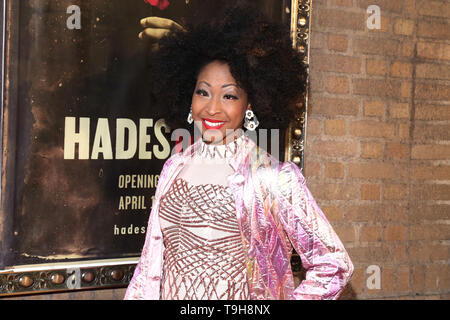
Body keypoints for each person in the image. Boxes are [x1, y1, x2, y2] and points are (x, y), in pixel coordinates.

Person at [125, 4, 353, 300]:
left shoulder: (272, 177)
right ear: (187, 94)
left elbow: (334, 266)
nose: (212, 108)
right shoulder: (174, 167)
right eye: (203, 91)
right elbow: (147, 268)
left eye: (229, 95)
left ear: (250, 104)